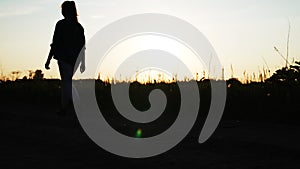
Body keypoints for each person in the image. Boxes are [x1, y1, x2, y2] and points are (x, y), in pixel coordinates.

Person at [45, 1, 85, 115]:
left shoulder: (61, 25)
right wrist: (83, 62)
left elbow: (55, 43)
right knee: (68, 82)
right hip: (75, 60)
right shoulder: (79, 27)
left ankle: (67, 108)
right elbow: (83, 47)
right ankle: (71, 107)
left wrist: (48, 59)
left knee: (66, 83)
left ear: (66, 11)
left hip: (64, 58)